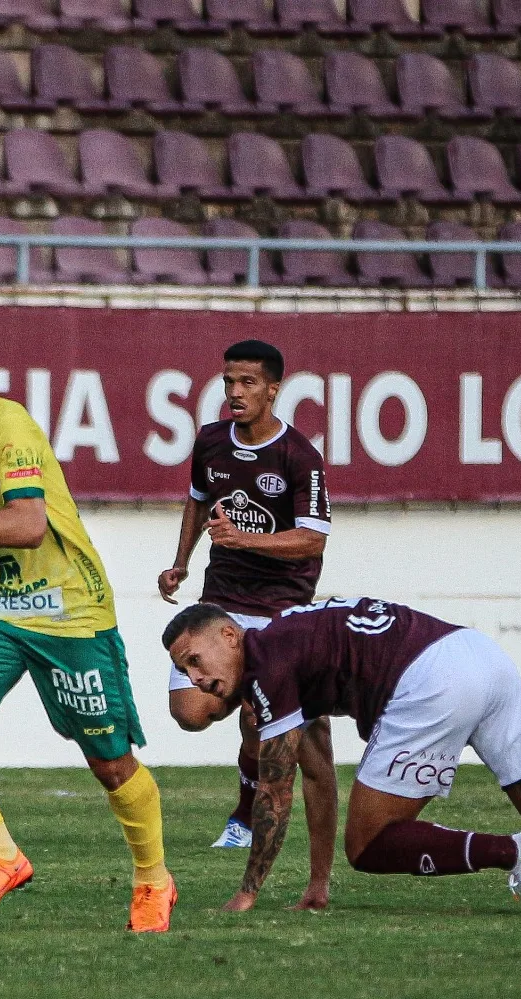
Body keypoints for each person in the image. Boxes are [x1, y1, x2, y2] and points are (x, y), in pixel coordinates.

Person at [0, 306, 177, 933]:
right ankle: (1, 855)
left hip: (68, 609)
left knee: (110, 763)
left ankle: (154, 879)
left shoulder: (10, 427)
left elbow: (28, 522)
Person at [163, 598, 521, 920]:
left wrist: (247, 894)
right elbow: (317, 774)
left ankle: (512, 853)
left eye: (194, 660)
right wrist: (317, 886)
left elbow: (275, 794)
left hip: (427, 683)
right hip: (477, 655)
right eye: (185, 671)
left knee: (367, 844)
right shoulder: (287, 642)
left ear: (229, 634)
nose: (195, 678)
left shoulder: (267, 667)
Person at [156, 339, 338, 908]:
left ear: (274, 388)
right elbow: (196, 501)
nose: (235, 392)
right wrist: (181, 561)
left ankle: (252, 820)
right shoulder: (211, 441)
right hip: (223, 599)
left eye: (248, 383)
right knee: (189, 709)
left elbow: (313, 538)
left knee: (273, 727)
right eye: (229, 381)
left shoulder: (300, 457)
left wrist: (247, 539)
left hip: (283, 608)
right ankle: (249, 785)